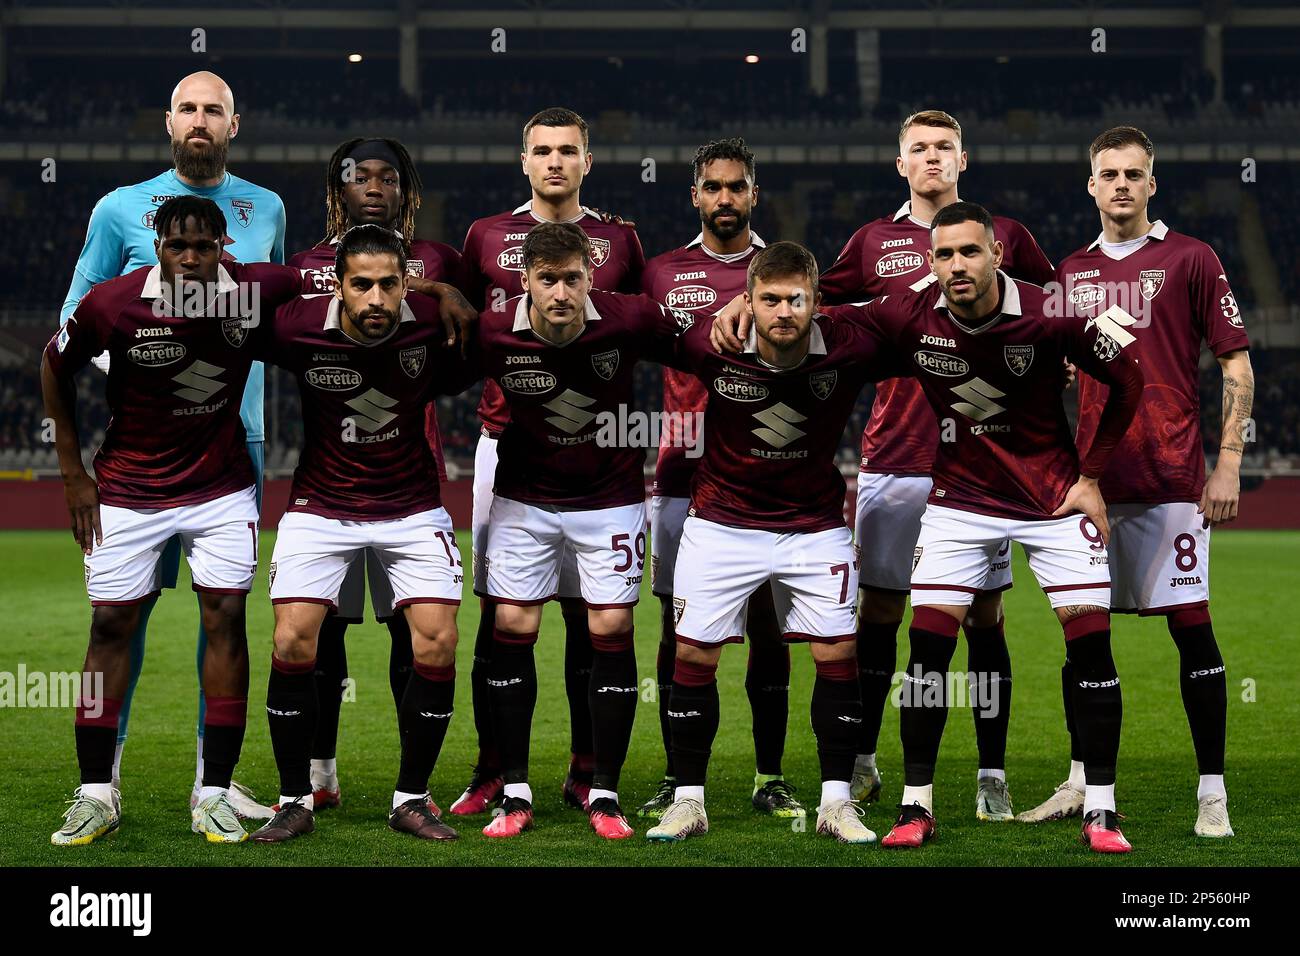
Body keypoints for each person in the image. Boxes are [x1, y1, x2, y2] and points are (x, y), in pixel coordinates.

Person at [712, 202, 1145, 853]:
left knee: (1090, 645)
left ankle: (1102, 810)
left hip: (1053, 498)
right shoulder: (907, 311)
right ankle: (917, 807)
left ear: (998, 253)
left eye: (969, 252)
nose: (956, 267)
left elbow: (1130, 375)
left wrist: (1093, 473)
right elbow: (817, 319)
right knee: (928, 651)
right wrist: (741, 308)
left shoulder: (1052, 309)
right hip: (961, 502)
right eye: (944, 255)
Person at [57, 71, 285, 820]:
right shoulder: (120, 208)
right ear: (168, 120)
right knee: (122, 616)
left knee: (224, 616)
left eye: (213, 109)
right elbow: (76, 312)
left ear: (233, 123)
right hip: (141, 451)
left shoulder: (268, 209)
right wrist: (146, 371)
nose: (199, 119)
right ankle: (101, 783)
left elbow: (284, 302)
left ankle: (209, 783)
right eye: (187, 107)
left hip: (235, 439)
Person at [817, 109, 1055, 817]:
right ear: (900, 164)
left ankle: (991, 774)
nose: (931, 158)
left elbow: (1058, 307)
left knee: (985, 616)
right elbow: (812, 308)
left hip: (984, 463)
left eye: (943, 148)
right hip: (895, 456)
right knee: (884, 613)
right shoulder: (872, 242)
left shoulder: (1003, 236)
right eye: (918, 149)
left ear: (963, 158)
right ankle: (863, 759)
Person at [1019, 127, 1253, 839]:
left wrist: (1229, 462)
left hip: (1172, 482)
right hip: (1092, 486)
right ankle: (1080, 779)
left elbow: (1234, 366)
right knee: (1081, 639)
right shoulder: (1070, 271)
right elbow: (1049, 367)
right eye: (1108, 174)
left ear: (1153, 184)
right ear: (1090, 185)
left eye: (1134, 174)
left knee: (1193, 634)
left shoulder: (1192, 259)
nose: (1121, 184)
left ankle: (1212, 793)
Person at [646, 242, 894, 845]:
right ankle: (688, 801)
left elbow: (928, 319)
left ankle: (837, 803)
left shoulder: (849, 344)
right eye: (770, 298)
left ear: (816, 300)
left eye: (796, 299)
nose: (783, 311)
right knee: (694, 659)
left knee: (838, 658)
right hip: (720, 524)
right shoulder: (712, 342)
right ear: (749, 300)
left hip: (814, 529)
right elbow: (631, 330)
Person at [251, 225, 480, 843]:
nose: (376, 299)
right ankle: (295, 797)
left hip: (411, 508)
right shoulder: (296, 326)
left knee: (437, 641)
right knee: (294, 637)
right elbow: (230, 314)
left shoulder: (434, 325)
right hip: (319, 507)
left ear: (406, 282)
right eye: (362, 285)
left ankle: (410, 798)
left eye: (389, 284)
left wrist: (446, 293)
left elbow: (511, 328)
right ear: (340, 286)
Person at [451, 107, 645, 817]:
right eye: (543, 151)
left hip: (596, 457)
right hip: (505, 446)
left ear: (587, 161)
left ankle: (586, 765)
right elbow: (462, 331)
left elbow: (638, 330)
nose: (555, 162)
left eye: (568, 150)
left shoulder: (620, 239)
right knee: (501, 616)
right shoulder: (485, 237)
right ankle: (492, 768)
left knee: (587, 617)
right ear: (524, 160)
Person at [475, 221, 692, 840]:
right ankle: (515, 792)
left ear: (590, 277)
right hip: (524, 502)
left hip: (610, 502)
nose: (562, 291)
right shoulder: (492, 333)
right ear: (526, 282)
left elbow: (697, 345)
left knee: (610, 627)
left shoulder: (628, 319)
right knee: (513, 625)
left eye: (573, 278)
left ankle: (603, 791)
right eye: (548, 280)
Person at [287, 137, 471, 810]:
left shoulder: (443, 261)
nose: (373, 185)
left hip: (409, 478)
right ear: (337, 188)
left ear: (407, 190)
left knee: (411, 631)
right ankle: (319, 772)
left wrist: (442, 287)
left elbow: (479, 328)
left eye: (386, 177)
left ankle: (409, 784)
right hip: (329, 478)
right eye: (358, 176)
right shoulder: (307, 265)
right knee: (323, 632)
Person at [636, 137, 803, 821]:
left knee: (767, 629)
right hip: (682, 472)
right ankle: (682, 781)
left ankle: (769, 776)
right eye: (714, 187)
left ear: (754, 194)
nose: (726, 199)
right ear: (696, 194)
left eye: (738, 187)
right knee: (680, 631)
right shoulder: (660, 272)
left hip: (766, 475)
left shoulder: (784, 271)